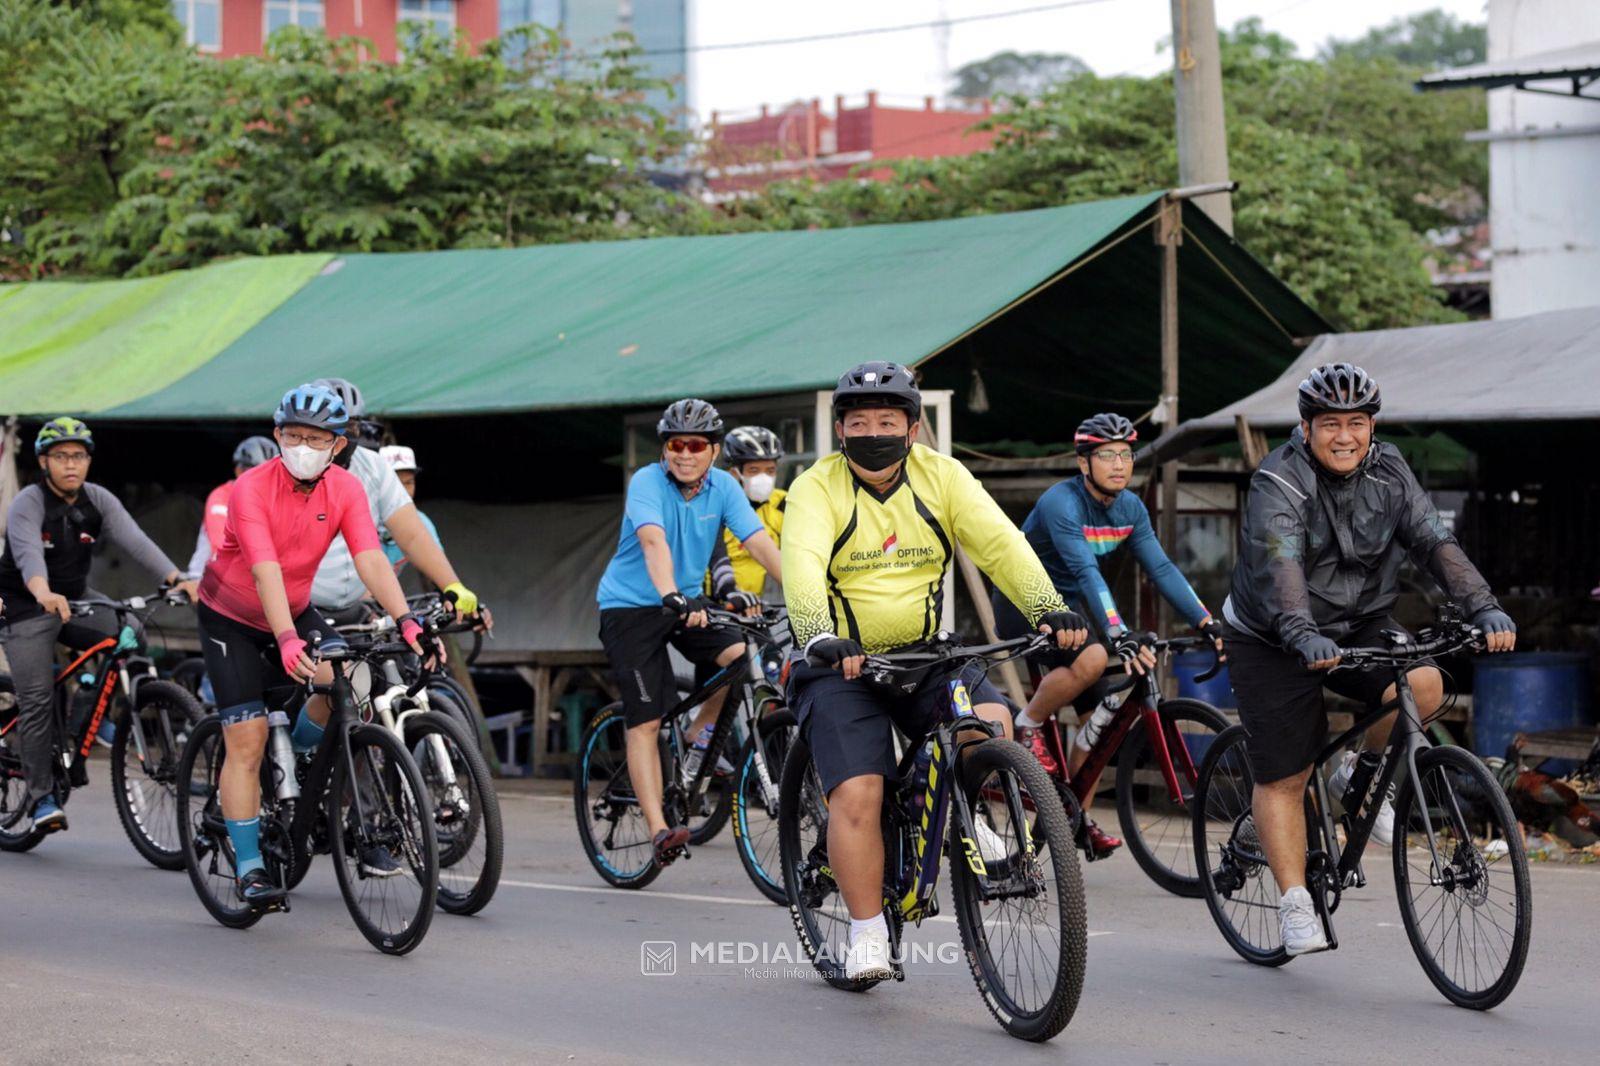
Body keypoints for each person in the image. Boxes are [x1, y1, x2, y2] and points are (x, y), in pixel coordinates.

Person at [782, 362, 1085, 982]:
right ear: (840, 430)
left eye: (887, 421)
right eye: (859, 421)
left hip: (924, 655)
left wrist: (1048, 608)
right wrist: (818, 635)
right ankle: (868, 933)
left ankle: (968, 820)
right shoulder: (817, 488)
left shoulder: (943, 476)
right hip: (840, 665)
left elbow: (1000, 545)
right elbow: (803, 565)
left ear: (913, 427)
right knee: (860, 791)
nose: (873, 432)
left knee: (992, 719)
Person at [1222, 363, 1516, 956]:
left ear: (1372, 425)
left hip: (1358, 621)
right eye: (1330, 423)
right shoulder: (1278, 480)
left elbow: (1434, 538)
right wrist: (1302, 633)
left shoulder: (1389, 467)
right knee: (1285, 774)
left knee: (1426, 684)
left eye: (1357, 422)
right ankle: (1294, 902)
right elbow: (1280, 563)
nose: (1344, 436)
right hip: (1271, 634)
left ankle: (1359, 778)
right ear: (1306, 429)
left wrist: (1483, 606)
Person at [196, 385, 438, 906]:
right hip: (231, 616)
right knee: (248, 738)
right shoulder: (251, 488)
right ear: (277, 435)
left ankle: (303, 757)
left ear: (338, 443)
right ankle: (252, 869)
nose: (302, 445)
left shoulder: (347, 489)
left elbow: (371, 560)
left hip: (297, 606)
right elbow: (264, 569)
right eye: (293, 435)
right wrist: (285, 638)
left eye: (316, 438)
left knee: (348, 681)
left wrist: (407, 620)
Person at [991, 412, 1222, 856]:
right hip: (1024, 601)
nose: (1119, 464)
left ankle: (1075, 817)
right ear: (1084, 464)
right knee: (1095, 657)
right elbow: (1083, 569)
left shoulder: (1130, 508)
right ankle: (1028, 723)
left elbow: (1161, 568)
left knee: (1099, 727)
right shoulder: (1063, 503)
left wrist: (1205, 621)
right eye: (1106, 455)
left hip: (1072, 610)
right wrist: (1118, 635)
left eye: (1126, 454)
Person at [595, 399, 782, 867]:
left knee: (741, 656)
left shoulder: (723, 486)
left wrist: (808, 595)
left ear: (714, 451)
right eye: (675, 443)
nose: (684, 453)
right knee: (646, 720)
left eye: (695, 445)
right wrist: (672, 593)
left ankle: (697, 741)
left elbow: (759, 542)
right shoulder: (646, 482)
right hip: (631, 606)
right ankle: (660, 830)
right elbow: (653, 540)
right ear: (665, 448)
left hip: (686, 603)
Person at [0, 417, 199, 833]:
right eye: (60, 456)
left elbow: (136, 540)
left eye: (78, 456)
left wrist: (176, 579)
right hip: (27, 603)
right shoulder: (29, 503)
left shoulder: (97, 500)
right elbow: (27, 556)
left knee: (131, 631)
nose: (71, 465)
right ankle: (41, 800)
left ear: (88, 461)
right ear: (43, 462)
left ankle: (84, 717)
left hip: (77, 597)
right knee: (35, 700)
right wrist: (41, 592)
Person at [306, 379, 482, 626]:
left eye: (352, 425)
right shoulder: (296, 474)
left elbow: (412, 535)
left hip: (358, 606)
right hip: (302, 609)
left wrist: (452, 586)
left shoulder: (373, 467)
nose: (343, 433)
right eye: (334, 426)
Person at [706, 425, 787, 605]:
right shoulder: (713, 508)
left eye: (770, 470)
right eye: (754, 470)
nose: (763, 477)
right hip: (718, 603)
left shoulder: (784, 504)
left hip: (766, 604)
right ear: (734, 474)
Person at [185, 436, 279, 578]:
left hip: (252, 581)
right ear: (239, 471)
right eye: (257, 473)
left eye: (270, 473)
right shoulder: (221, 497)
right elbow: (221, 546)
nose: (264, 480)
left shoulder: (275, 501)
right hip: (206, 581)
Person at [377, 445, 441, 575]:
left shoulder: (421, 522)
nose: (403, 492)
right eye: (395, 483)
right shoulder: (358, 515)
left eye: (409, 482)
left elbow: (435, 570)